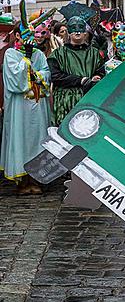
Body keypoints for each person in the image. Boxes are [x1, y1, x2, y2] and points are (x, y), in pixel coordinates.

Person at [0, 18, 51, 194]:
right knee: (21, 138)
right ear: (17, 36)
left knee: (38, 139)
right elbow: (14, 80)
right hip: (19, 108)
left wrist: (39, 76)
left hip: (37, 106)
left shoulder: (39, 54)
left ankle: (36, 178)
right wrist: (26, 59)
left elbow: (46, 72)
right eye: (25, 35)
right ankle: (22, 181)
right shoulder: (10, 55)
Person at [48, 16, 105, 125]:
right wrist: (80, 80)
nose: (77, 32)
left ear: (85, 32)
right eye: (74, 28)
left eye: (80, 28)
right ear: (68, 32)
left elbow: (101, 70)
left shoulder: (95, 53)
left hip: (89, 99)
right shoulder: (58, 54)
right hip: (65, 101)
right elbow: (55, 76)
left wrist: (97, 76)